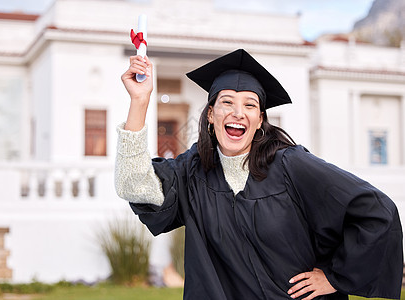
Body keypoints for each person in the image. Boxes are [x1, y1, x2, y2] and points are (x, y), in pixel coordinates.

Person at [115, 49, 403, 300]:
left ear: (260, 120)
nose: (238, 112)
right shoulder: (194, 172)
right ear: (211, 115)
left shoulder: (292, 166)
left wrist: (334, 276)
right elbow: (134, 185)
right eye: (227, 102)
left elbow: (376, 211)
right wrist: (140, 101)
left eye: (250, 105)